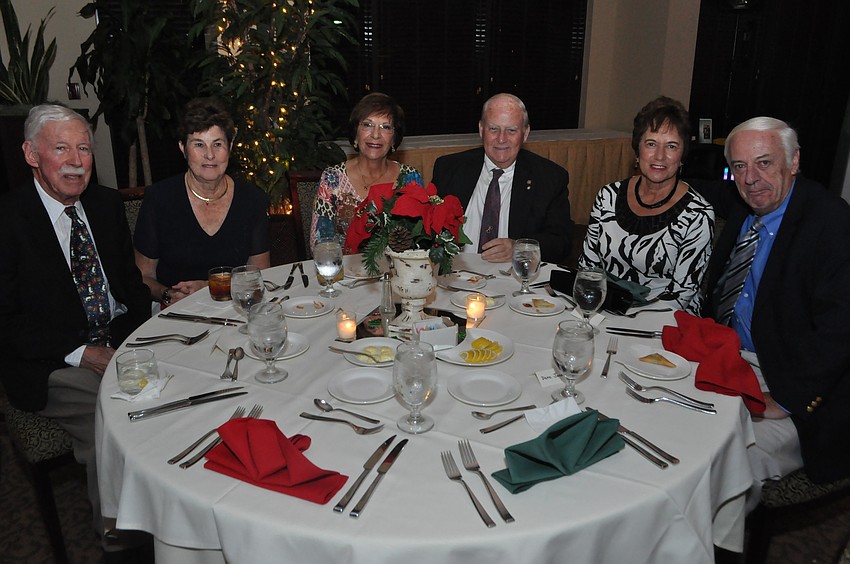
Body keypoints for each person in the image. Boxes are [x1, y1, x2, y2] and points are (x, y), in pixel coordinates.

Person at [0, 104, 151, 540]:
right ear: (31, 154)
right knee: (117, 409)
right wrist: (84, 353)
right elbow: (5, 323)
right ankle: (120, 536)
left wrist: (140, 340)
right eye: (61, 148)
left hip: (120, 342)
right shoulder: (7, 221)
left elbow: (131, 288)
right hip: (52, 361)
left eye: (84, 148)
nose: (75, 160)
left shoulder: (105, 205)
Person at [703, 117, 850, 487]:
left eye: (764, 162)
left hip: (792, 383)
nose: (750, 177)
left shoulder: (832, 223)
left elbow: (841, 330)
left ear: (794, 161)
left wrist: (786, 399)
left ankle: (716, 546)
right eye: (739, 166)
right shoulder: (746, 206)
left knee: (721, 466)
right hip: (730, 363)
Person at [579, 96, 714, 313]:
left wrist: (629, 319)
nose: (659, 156)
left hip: (664, 323)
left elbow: (681, 296)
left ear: (682, 156)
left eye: (671, 146)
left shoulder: (698, 214)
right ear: (637, 149)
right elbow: (587, 269)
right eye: (651, 144)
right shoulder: (607, 196)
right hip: (604, 310)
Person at [133, 97, 270, 307]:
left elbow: (260, 275)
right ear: (182, 148)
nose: (209, 155)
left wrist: (209, 287)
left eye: (217, 144)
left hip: (236, 307)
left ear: (230, 147)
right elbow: (143, 276)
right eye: (199, 144)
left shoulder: (252, 199)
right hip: (175, 309)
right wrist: (169, 294)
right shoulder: (159, 199)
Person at [431, 93, 571, 263]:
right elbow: (428, 229)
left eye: (511, 130)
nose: (501, 139)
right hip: (455, 274)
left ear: (525, 134)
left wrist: (519, 248)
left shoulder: (549, 178)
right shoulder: (449, 169)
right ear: (481, 129)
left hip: (513, 278)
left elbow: (560, 242)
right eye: (493, 129)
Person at [310, 92, 423, 252]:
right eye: (367, 125)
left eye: (386, 127)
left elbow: (418, 242)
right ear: (355, 134)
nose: (376, 135)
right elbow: (319, 243)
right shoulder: (333, 178)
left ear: (394, 139)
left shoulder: (410, 178)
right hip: (344, 272)